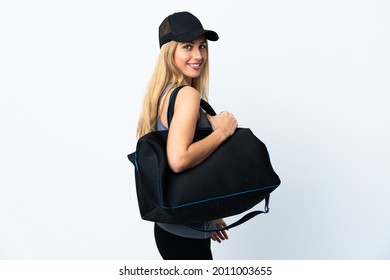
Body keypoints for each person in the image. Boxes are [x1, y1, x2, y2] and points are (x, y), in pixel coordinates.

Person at [136, 11, 238, 260]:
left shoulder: (163, 94)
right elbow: (179, 160)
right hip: (185, 234)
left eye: (202, 46)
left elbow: (184, 168)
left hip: (173, 227)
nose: (198, 55)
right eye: (188, 47)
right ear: (170, 52)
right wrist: (222, 131)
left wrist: (209, 212)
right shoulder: (187, 95)